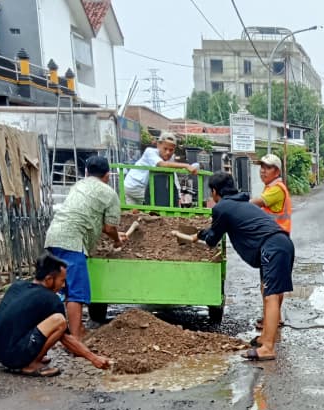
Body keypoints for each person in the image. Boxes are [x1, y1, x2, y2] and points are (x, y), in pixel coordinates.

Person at [198, 173, 295, 361]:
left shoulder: (222, 207)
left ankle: (267, 347)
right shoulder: (243, 202)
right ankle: (267, 337)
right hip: (282, 242)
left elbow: (212, 239)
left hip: (271, 246)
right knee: (271, 291)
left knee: (270, 295)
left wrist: (199, 235)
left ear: (214, 191)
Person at [0, 252, 111, 377]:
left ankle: (29, 355)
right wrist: (94, 358)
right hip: (12, 356)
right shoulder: (51, 299)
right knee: (59, 321)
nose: (63, 285)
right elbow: (66, 339)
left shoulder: (17, 286)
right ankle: (31, 364)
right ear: (49, 279)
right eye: (62, 281)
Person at [44, 155, 122, 341]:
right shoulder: (109, 193)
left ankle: (47, 332)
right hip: (73, 242)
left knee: (54, 288)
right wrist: (118, 240)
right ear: (107, 175)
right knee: (76, 293)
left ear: (86, 172)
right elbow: (110, 227)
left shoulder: (78, 186)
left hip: (53, 236)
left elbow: (95, 222)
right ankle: (76, 337)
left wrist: (113, 234)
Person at [251, 153, 293, 331]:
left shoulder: (276, 189)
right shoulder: (272, 187)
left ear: (276, 171)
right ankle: (275, 317)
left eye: (267, 167)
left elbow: (255, 204)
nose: (262, 171)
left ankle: (271, 321)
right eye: (262, 167)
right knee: (275, 283)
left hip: (274, 241)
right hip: (277, 240)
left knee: (268, 285)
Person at [123, 132, 199, 205]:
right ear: (158, 145)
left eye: (171, 150)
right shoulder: (150, 152)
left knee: (138, 213)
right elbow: (162, 164)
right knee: (158, 202)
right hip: (134, 186)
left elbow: (173, 174)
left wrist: (178, 195)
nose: (168, 152)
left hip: (143, 187)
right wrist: (186, 166)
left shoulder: (170, 158)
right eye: (165, 149)